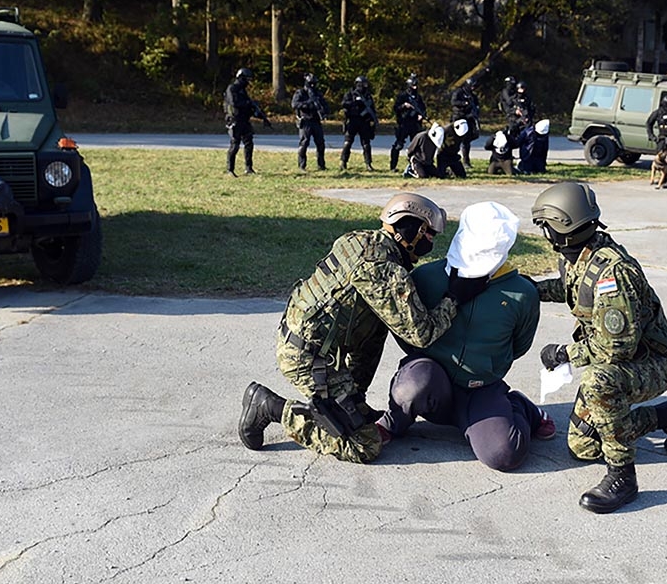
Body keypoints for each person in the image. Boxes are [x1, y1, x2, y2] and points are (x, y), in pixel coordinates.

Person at [238, 193, 489, 463]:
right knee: (364, 446)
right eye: (427, 233)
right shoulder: (383, 270)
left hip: (311, 342)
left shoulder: (358, 240)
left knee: (376, 324)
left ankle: (352, 403)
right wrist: (454, 298)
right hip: (308, 358)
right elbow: (421, 334)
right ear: (411, 229)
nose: (430, 241)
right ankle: (270, 407)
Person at [531, 182, 667, 513]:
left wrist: (563, 354)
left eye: (546, 225)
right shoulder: (578, 255)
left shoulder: (612, 273)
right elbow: (570, 288)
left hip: (651, 362)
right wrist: (527, 289)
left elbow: (615, 348)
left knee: (598, 383)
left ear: (561, 227)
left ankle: (622, 477)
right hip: (624, 361)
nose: (544, 233)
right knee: (584, 447)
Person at [379, 201, 555, 472]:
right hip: (430, 380)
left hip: (480, 388)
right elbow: (407, 334)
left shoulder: (522, 294)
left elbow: (519, 345)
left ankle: (519, 406)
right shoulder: (426, 277)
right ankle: (397, 418)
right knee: (413, 384)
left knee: (505, 455)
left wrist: (485, 366)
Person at [224, 68, 270, 175]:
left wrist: (260, 116)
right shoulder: (232, 88)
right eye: (247, 80)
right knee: (235, 145)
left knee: (249, 143)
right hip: (235, 121)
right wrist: (248, 103)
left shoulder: (243, 91)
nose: (248, 83)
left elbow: (249, 107)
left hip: (244, 121)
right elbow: (234, 103)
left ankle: (249, 168)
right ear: (241, 78)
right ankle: (230, 170)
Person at [291, 73, 329, 171]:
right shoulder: (301, 93)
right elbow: (294, 104)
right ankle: (302, 165)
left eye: (314, 83)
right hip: (305, 121)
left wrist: (323, 110)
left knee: (321, 143)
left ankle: (321, 165)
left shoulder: (318, 94)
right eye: (311, 83)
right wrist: (308, 103)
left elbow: (325, 105)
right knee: (304, 143)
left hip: (316, 121)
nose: (313, 85)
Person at [390, 73, 427, 171]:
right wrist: (403, 106)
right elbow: (395, 108)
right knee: (398, 145)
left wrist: (421, 115)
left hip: (414, 124)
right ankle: (393, 166)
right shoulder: (403, 96)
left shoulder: (418, 97)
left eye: (416, 85)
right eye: (413, 85)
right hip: (404, 124)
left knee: (417, 146)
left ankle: (416, 165)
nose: (415, 87)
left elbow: (423, 108)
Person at [341, 75, 378, 170]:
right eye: (363, 84)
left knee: (366, 144)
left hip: (364, 122)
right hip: (352, 121)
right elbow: (344, 104)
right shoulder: (350, 94)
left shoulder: (368, 95)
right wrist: (355, 102)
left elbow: (372, 109)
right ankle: (343, 162)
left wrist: (373, 119)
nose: (365, 86)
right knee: (348, 142)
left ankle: (368, 164)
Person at [450, 78, 481, 168]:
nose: (473, 88)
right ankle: (452, 159)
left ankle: (466, 161)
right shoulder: (459, 92)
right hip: (458, 118)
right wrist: (464, 103)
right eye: (471, 86)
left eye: (474, 87)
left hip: (469, 118)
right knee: (455, 141)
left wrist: (476, 112)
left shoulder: (472, 95)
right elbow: (453, 102)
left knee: (467, 141)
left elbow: (476, 105)